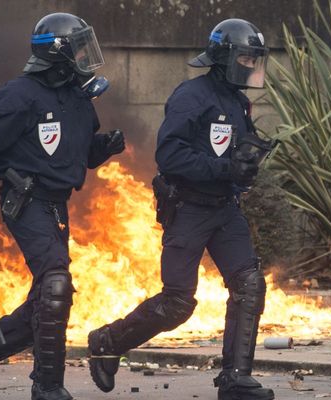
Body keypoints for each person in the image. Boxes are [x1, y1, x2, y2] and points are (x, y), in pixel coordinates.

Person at [87, 18, 275, 400]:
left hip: (225, 208)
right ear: (224, 58)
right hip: (189, 208)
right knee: (177, 302)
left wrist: (246, 167)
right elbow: (170, 154)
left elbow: (229, 153)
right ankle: (107, 341)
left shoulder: (239, 102)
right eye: (245, 58)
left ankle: (235, 380)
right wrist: (225, 167)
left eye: (254, 60)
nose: (250, 66)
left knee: (249, 284)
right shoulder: (191, 96)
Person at [0, 13, 125, 400]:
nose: (84, 55)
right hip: (24, 201)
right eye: (77, 48)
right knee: (56, 285)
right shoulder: (19, 96)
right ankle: (47, 386)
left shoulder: (78, 98)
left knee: (49, 297)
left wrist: (103, 148)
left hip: (57, 207)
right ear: (58, 54)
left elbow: (72, 155)